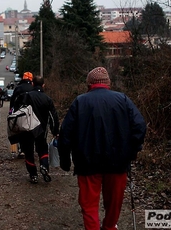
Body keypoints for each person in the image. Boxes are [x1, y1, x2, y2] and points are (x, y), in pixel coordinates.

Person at [58, 67, 146, 230]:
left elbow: (66, 133)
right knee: (114, 202)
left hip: (87, 163)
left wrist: (64, 159)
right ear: (108, 83)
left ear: (89, 84)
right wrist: (132, 151)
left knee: (89, 205)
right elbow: (139, 126)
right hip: (118, 162)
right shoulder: (123, 100)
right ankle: (109, 227)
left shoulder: (80, 102)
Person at [15, 75, 60, 184]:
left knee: (28, 152)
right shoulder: (47, 99)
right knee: (42, 149)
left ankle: (33, 175)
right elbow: (53, 116)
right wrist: (55, 131)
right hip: (41, 130)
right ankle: (44, 166)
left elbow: (17, 111)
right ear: (43, 85)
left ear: (33, 84)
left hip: (27, 128)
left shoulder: (25, 97)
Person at [9, 71, 34, 159]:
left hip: (19, 113)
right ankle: (30, 149)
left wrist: (11, 111)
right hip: (31, 113)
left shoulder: (18, 88)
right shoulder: (33, 87)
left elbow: (12, 100)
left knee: (20, 131)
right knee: (30, 130)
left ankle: (22, 149)